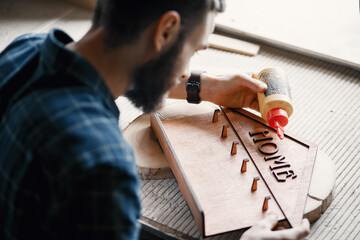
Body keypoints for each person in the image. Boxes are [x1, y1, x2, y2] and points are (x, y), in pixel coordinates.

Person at [0, 0, 309, 239]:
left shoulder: (22, 51)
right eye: (192, 51)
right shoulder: (104, 166)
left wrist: (206, 87)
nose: (187, 71)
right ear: (165, 31)